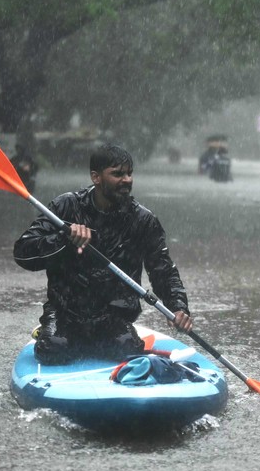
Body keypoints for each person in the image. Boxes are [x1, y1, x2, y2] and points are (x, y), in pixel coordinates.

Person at [13, 143, 192, 363]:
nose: (126, 180)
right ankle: (48, 332)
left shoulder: (143, 220)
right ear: (96, 177)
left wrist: (178, 307)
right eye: (117, 174)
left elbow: (163, 270)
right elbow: (23, 252)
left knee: (127, 351)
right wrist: (64, 239)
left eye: (129, 173)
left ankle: (102, 341)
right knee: (53, 349)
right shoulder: (65, 207)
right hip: (66, 314)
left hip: (113, 317)